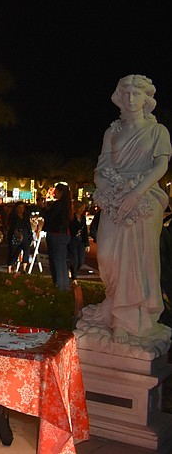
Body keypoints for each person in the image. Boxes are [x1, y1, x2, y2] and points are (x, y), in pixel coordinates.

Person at [90, 74, 171, 341]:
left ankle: (126, 322)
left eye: (136, 94)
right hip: (114, 200)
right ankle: (114, 305)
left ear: (146, 98)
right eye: (126, 94)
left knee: (138, 261)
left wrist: (135, 193)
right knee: (108, 257)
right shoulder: (112, 132)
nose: (131, 99)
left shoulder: (157, 131)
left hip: (145, 199)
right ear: (119, 98)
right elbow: (100, 170)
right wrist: (108, 189)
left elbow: (160, 166)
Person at [44, 183, 72, 291]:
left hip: (56, 233)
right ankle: (65, 285)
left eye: (56, 191)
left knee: (57, 261)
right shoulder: (67, 205)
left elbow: (50, 217)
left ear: (61, 192)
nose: (54, 193)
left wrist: (45, 209)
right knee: (62, 260)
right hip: (64, 234)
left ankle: (60, 285)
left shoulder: (58, 204)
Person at [7, 202, 34, 270]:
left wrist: (31, 236)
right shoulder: (13, 216)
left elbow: (29, 226)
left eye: (22, 208)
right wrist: (17, 234)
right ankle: (10, 267)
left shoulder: (25, 216)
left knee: (26, 251)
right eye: (19, 208)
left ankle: (24, 268)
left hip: (25, 235)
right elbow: (12, 226)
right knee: (14, 252)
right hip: (15, 237)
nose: (21, 209)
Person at [67, 200, 90, 281]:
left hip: (80, 241)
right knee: (74, 260)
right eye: (80, 208)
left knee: (81, 261)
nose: (82, 210)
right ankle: (74, 278)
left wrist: (87, 244)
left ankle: (73, 271)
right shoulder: (71, 218)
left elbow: (85, 232)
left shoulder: (83, 218)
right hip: (72, 240)